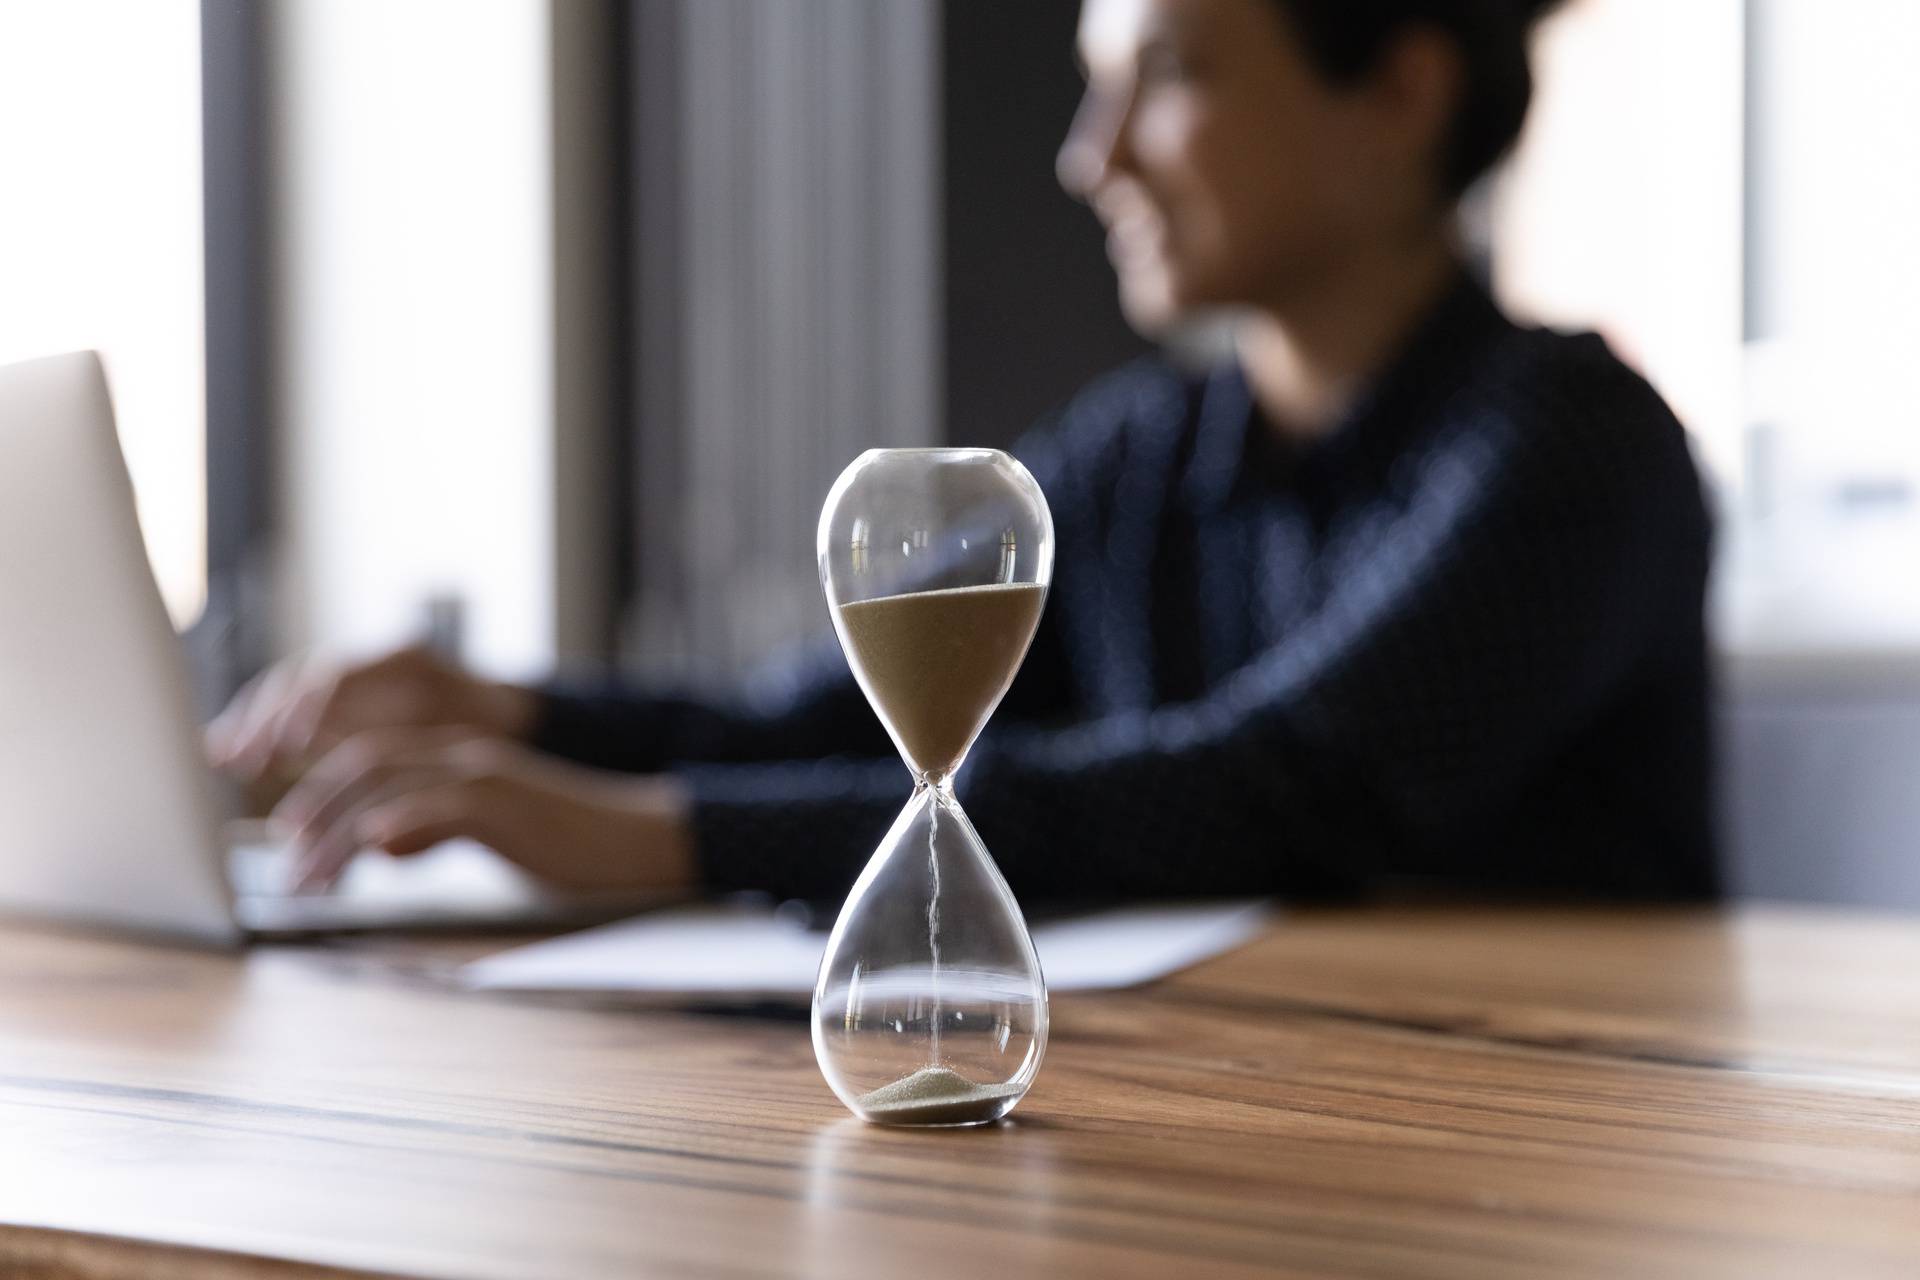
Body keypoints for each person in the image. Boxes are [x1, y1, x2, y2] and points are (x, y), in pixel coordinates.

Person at [209, 0, 1715, 903]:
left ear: (1399, 92)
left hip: (1521, 1130)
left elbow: (1288, 784)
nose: (1090, 154)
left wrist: (662, 836)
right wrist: (509, 717)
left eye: (1172, 74)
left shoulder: (1575, 446)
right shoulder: (1144, 458)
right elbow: (829, 717)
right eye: (1094, 79)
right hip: (1220, 1098)